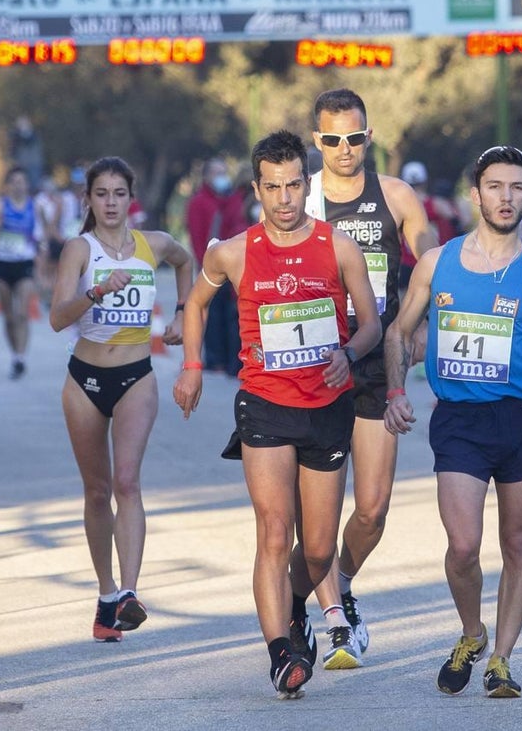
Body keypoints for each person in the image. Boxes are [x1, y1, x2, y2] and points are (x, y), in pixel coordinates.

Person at [173, 130, 381, 698]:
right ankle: (280, 654)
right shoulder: (232, 252)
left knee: (317, 549)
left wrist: (349, 353)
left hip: (326, 407)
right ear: (257, 189)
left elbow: (370, 324)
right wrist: (192, 365)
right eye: (273, 187)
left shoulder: (338, 247)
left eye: (294, 185)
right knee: (273, 530)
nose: (285, 198)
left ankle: (297, 608)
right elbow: (194, 303)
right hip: (264, 405)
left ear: (307, 185)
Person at [383, 145, 522, 699]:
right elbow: (398, 332)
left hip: (520, 422)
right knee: (464, 546)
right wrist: (395, 391)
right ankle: (472, 632)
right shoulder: (436, 262)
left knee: (518, 543)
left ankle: (501, 659)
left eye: (517, 188)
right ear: (476, 194)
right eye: (495, 186)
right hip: (460, 422)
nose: (506, 197)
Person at [301, 88, 437, 669]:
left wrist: (427, 313)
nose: (344, 149)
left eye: (354, 138)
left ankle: (343, 585)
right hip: (316, 362)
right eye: (332, 140)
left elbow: (431, 258)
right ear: (317, 141)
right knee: (316, 514)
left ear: (369, 137)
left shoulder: (396, 195)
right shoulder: (298, 199)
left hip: (380, 359)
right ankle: (318, 616)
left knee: (373, 507)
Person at [49, 157, 193, 644]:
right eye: (101, 194)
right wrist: (95, 291)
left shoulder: (152, 244)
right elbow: (56, 317)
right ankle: (106, 593)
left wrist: (181, 315)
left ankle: (129, 593)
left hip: (136, 376)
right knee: (97, 490)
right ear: (88, 200)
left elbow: (186, 261)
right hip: (85, 379)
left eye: (118, 193)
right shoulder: (79, 249)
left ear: (132, 198)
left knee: (128, 481)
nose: (110, 202)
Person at [185, 157, 248, 375]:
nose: (221, 178)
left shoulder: (228, 199)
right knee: (212, 315)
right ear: (206, 176)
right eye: (216, 173)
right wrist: (208, 265)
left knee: (226, 315)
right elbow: (197, 237)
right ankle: (214, 359)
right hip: (211, 268)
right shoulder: (199, 202)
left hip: (229, 266)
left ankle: (226, 359)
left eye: (224, 172)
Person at [0, 166, 46, 379]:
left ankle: (21, 357)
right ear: (9, 185)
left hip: (24, 263)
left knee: (22, 313)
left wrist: (42, 265)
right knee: (9, 316)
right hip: (2, 263)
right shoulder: (0, 206)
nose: (19, 185)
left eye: (22, 181)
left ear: (27, 184)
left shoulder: (35, 207)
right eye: (15, 181)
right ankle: (14, 354)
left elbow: (43, 235)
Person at [399, 160, 460, 290]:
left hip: (406, 263)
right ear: (425, 181)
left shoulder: (398, 206)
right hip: (433, 261)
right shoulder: (436, 204)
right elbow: (458, 222)